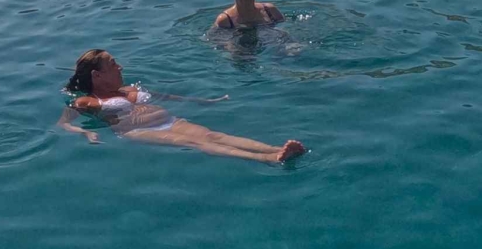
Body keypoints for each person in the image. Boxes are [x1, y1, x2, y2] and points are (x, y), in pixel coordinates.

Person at [57, 49, 306, 164]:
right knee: (196, 143)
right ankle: (269, 159)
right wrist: (86, 132)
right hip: (139, 131)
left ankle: (275, 148)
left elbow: (168, 97)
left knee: (214, 135)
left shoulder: (129, 89)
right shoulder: (87, 101)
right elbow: (64, 123)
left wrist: (206, 101)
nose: (120, 67)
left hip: (170, 120)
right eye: (113, 64)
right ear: (97, 76)